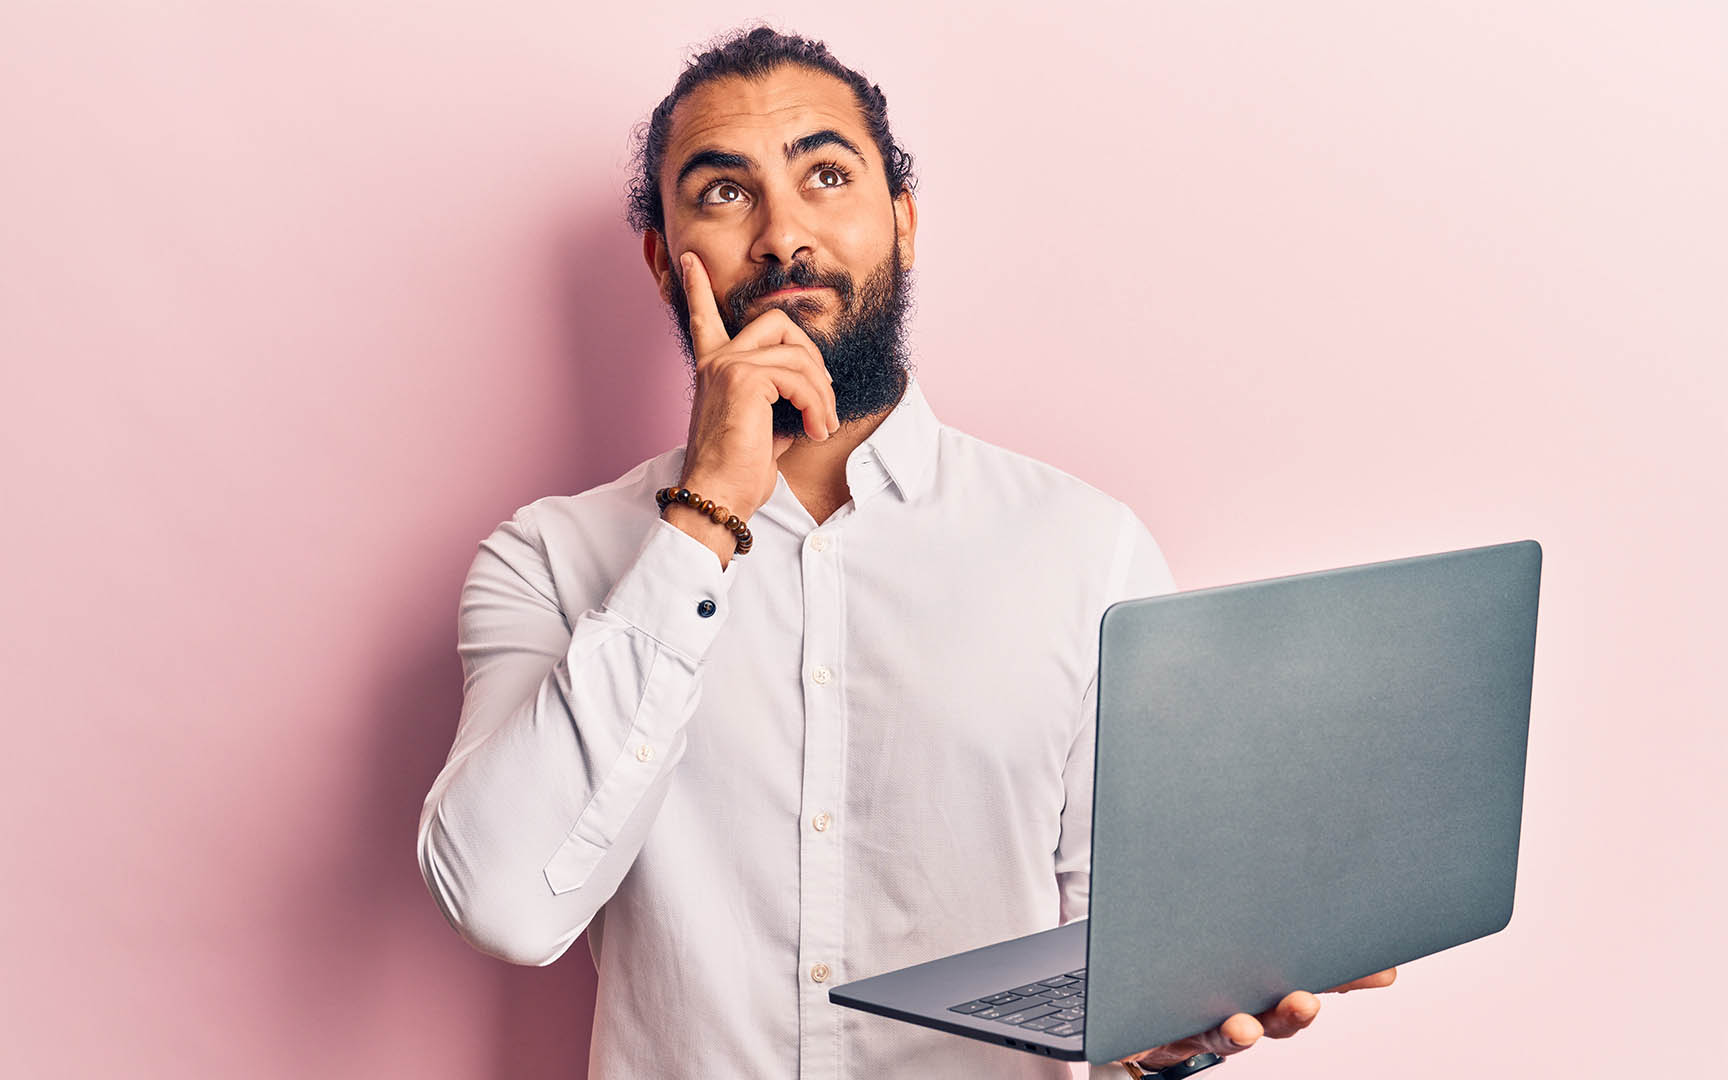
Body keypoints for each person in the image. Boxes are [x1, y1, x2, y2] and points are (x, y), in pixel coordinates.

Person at [415, 24, 1394, 1079]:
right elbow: (507, 907)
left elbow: (1119, 965)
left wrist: (1153, 1039)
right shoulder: (548, 560)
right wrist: (702, 519)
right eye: (726, 193)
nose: (785, 236)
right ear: (664, 261)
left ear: (903, 222)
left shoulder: (1086, 552)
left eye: (827, 176)